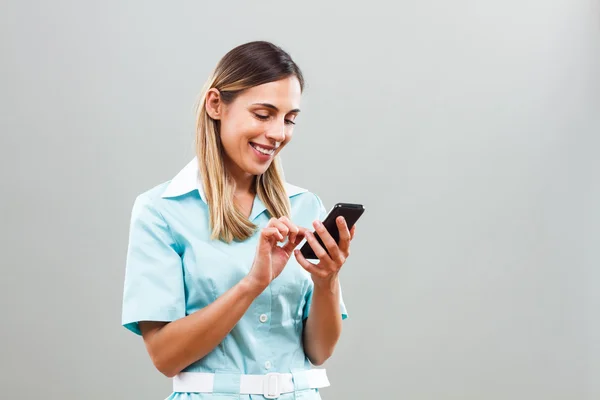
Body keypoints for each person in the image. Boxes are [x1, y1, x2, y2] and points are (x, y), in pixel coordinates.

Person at [121, 40, 357, 400]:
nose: (278, 133)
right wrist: (252, 284)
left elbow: (319, 351)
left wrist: (327, 282)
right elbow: (166, 357)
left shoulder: (305, 207)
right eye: (263, 114)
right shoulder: (161, 211)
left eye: (289, 119)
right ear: (216, 105)